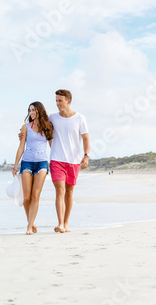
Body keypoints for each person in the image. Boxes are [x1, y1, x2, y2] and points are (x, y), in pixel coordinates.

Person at [49, 89, 90, 233]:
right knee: (60, 190)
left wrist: (86, 156)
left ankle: (66, 223)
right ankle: (60, 224)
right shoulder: (52, 117)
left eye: (60, 100)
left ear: (68, 101)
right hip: (56, 160)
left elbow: (85, 138)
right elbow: (46, 135)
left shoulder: (80, 118)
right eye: (56, 101)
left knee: (69, 192)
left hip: (73, 160)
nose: (57, 104)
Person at [12, 101, 54, 235]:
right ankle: (31, 221)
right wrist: (15, 165)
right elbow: (21, 147)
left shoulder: (47, 126)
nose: (32, 113)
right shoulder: (25, 127)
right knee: (26, 198)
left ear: (39, 111)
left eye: (34, 110)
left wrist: (55, 163)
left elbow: (53, 146)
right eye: (30, 110)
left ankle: (29, 227)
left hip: (42, 163)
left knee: (36, 195)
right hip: (27, 163)